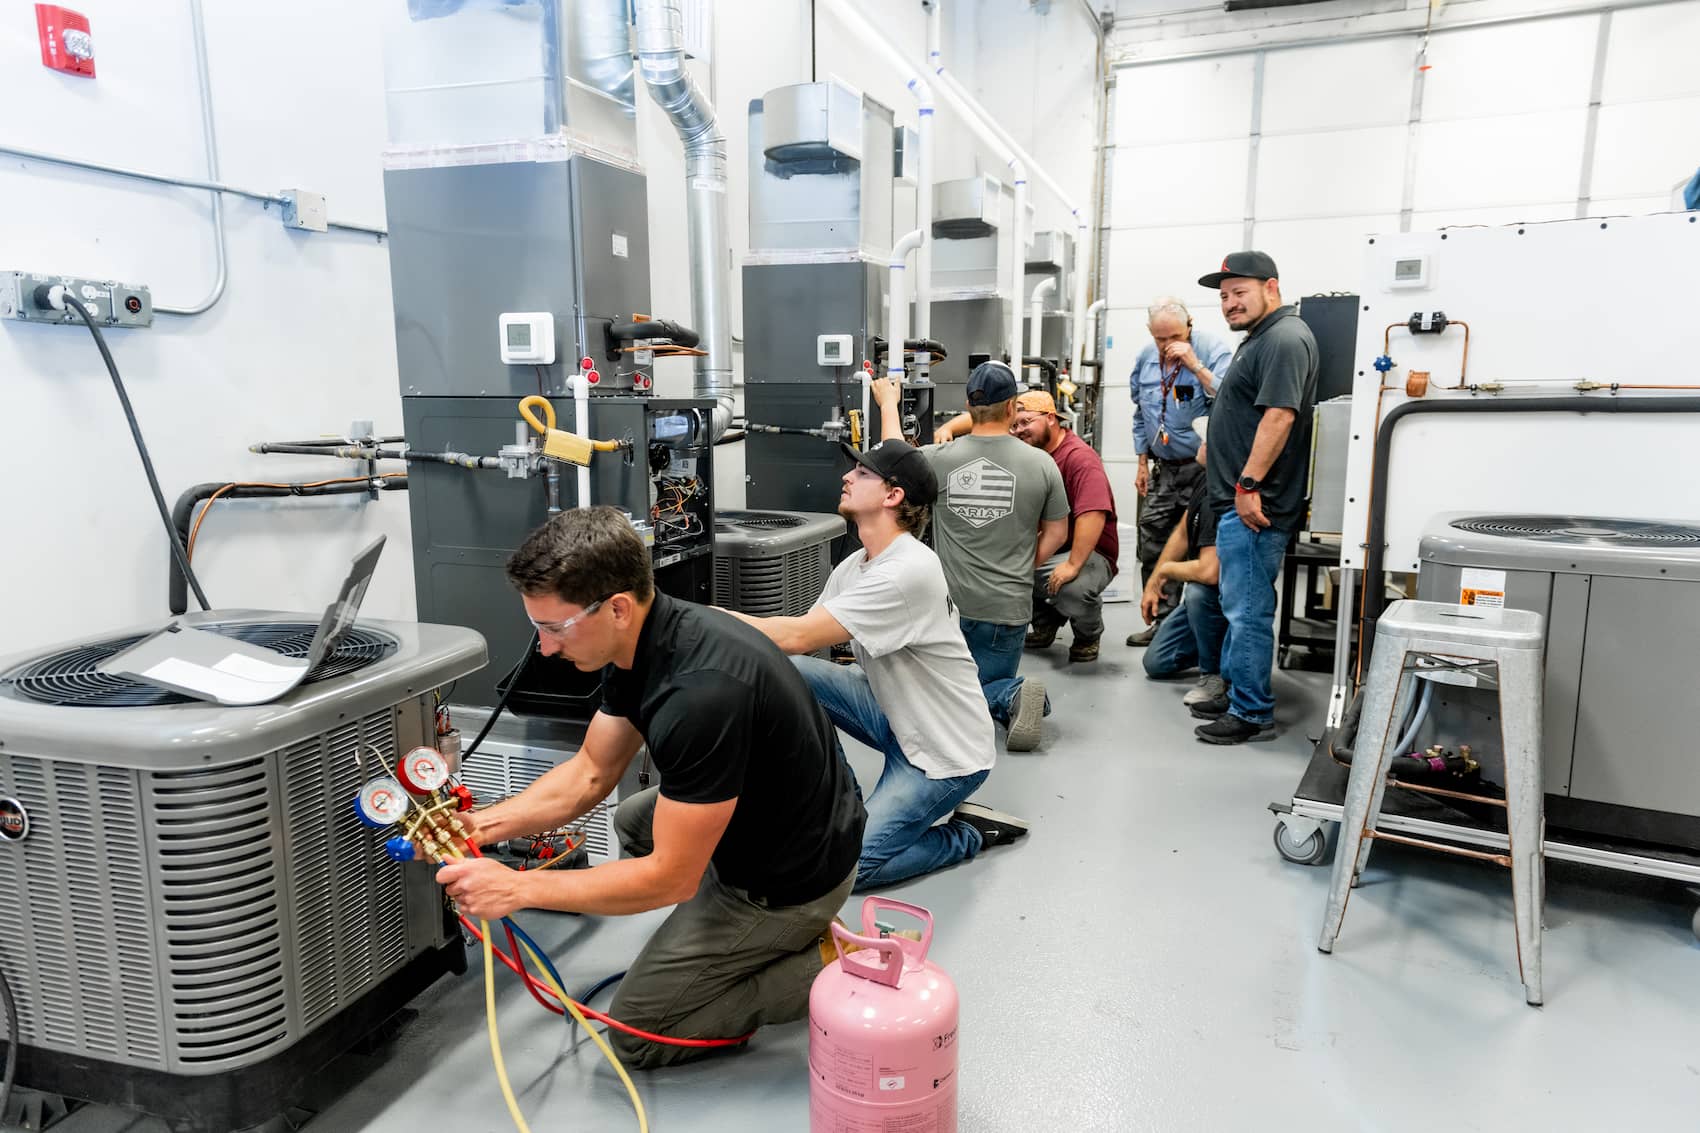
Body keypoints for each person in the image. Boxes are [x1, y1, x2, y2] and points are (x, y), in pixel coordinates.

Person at [433, 507, 866, 1068]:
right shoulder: (644, 635)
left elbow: (669, 878)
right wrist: (480, 825)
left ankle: (833, 963)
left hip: (790, 882)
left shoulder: (700, 696)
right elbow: (591, 771)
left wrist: (518, 890)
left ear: (615, 606)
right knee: (633, 820)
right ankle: (714, 939)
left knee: (641, 1033)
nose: (544, 649)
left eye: (554, 628)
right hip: (786, 818)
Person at [726, 439, 1030, 890]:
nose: (847, 477)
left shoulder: (907, 570)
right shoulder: (857, 564)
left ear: (893, 496)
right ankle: (833, 800)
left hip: (944, 754)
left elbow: (795, 636)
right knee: (785, 673)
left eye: (863, 473)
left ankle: (968, 834)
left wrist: (696, 619)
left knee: (847, 872)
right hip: (894, 714)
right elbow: (799, 645)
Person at [874, 362, 1068, 752]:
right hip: (1007, 609)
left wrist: (888, 403)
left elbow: (894, 458)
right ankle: (1013, 695)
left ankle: (1002, 696)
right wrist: (1022, 567)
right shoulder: (1042, 464)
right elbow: (1058, 532)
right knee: (976, 693)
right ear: (1013, 406)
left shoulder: (940, 458)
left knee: (950, 697)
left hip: (949, 607)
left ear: (968, 405)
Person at [1191, 251, 1320, 745]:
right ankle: (1236, 692)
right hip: (1235, 500)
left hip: (1253, 503)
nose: (1229, 303)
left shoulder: (1285, 338)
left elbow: (1279, 417)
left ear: (1271, 287)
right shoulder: (1260, 340)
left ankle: (1251, 712)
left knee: (1247, 609)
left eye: (1239, 292)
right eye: (1223, 296)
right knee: (1235, 603)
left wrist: (1247, 485)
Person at [1126, 298, 1234, 647]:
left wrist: (1194, 364)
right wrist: (1142, 461)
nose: (1167, 344)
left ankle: (1194, 630)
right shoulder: (1145, 357)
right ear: (1150, 333)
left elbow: (1229, 397)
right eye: (1160, 338)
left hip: (1202, 469)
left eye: (1174, 335)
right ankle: (1159, 622)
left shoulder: (1212, 349)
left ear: (1189, 324)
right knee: (1153, 537)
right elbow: (1140, 413)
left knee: (1198, 546)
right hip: (1164, 469)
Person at [1008, 390, 1120, 663]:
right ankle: (1046, 622)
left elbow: (1092, 513)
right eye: (1014, 425)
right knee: (1003, 570)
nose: (1019, 430)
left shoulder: (1079, 458)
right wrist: (951, 427)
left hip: (1088, 551)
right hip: (1051, 543)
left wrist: (1072, 564)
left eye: (1026, 422)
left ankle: (1088, 634)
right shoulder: (1033, 456)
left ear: (1050, 419)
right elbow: (983, 418)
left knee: (1072, 589)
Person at [1137, 419, 1228, 713]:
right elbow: (1182, 531)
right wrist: (1153, 581)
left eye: (1204, 441)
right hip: (1206, 594)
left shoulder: (1223, 491)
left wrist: (1164, 572)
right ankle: (1212, 644)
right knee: (1157, 663)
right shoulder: (1206, 477)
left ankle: (1214, 673)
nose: (1198, 446)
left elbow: (1208, 571)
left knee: (1199, 592)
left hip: (1221, 594)